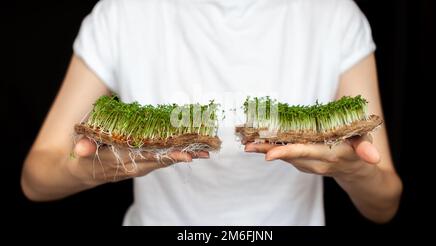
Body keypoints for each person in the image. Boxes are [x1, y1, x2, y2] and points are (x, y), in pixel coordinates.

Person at [21, 0, 402, 225]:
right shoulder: (123, 11)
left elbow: (384, 202)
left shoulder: (334, 14)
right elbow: (36, 179)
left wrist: (353, 170)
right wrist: (84, 170)